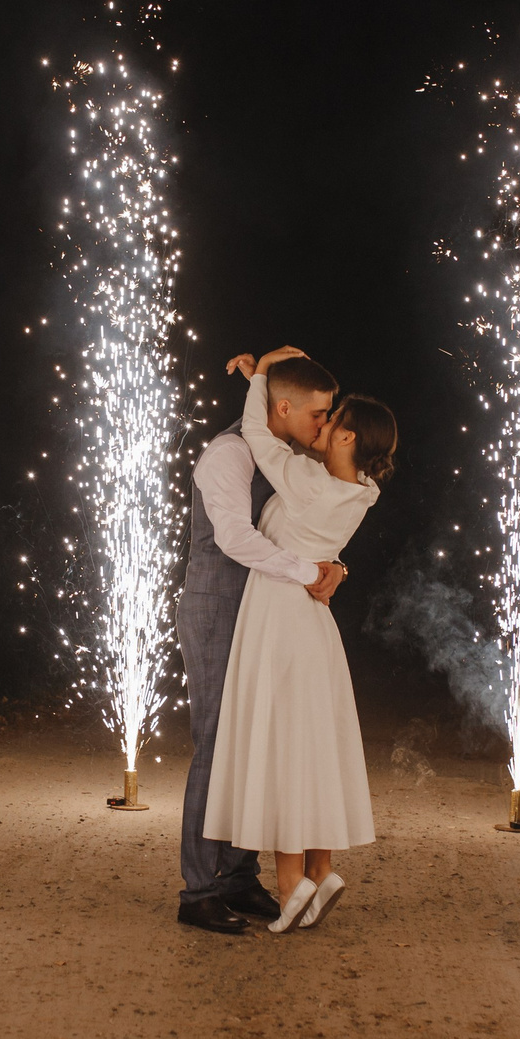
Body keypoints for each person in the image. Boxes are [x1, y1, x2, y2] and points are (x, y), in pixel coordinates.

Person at [201, 346, 399, 932]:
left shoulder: (307, 481)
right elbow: (321, 548)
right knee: (312, 741)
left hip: (282, 615)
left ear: (341, 440)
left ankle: (292, 885)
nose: (323, 422)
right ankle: (321, 867)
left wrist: (259, 375)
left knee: (285, 742)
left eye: (331, 420)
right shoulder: (361, 490)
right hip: (315, 623)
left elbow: (260, 435)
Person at [174, 351, 347, 936]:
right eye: (320, 415)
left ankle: (239, 878)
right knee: (219, 742)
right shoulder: (228, 453)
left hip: (260, 614)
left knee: (258, 741)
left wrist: (333, 565)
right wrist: (308, 572)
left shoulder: (283, 457)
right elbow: (236, 538)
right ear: (284, 407)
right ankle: (199, 890)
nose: (325, 426)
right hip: (218, 607)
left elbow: (302, 528)